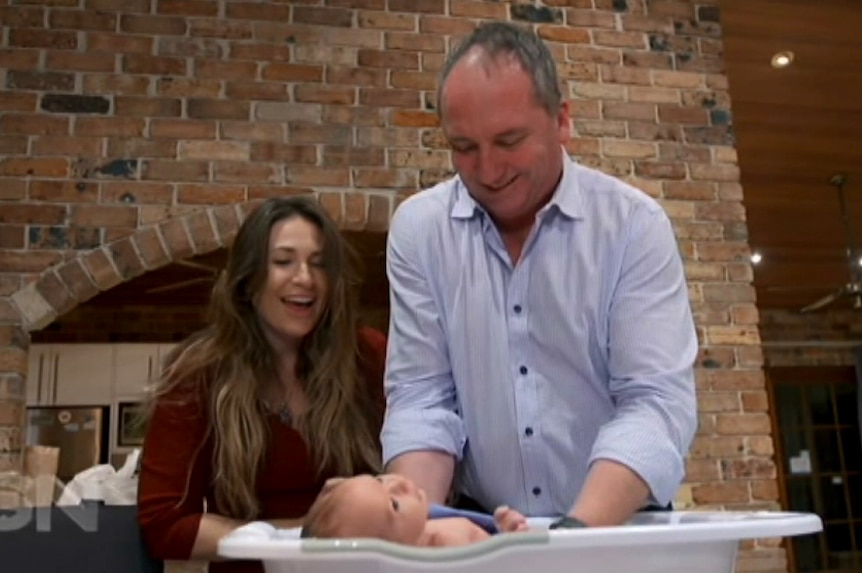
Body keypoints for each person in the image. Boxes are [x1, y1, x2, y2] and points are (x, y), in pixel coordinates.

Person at [381, 21, 698, 529]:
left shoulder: (633, 227)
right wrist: (413, 528)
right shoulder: (419, 230)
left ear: (562, 121)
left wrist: (572, 542)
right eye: (464, 147)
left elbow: (654, 403)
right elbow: (423, 399)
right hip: (479, 529)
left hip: (615, 527)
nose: (487, 170)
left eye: (509, 140)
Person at [137, 196, 388, 573]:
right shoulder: (197, 375)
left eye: (319, 263)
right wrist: (299, 537)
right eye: (283, 261)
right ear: (248, 279)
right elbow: (165, 525)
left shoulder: (368, 355)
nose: (305, 277)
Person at [300, 474, 528, 546]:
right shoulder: (439, 552)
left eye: (379, 481)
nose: (397, 484)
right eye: (394, 505)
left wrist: (506, 533)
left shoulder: (432, 524)